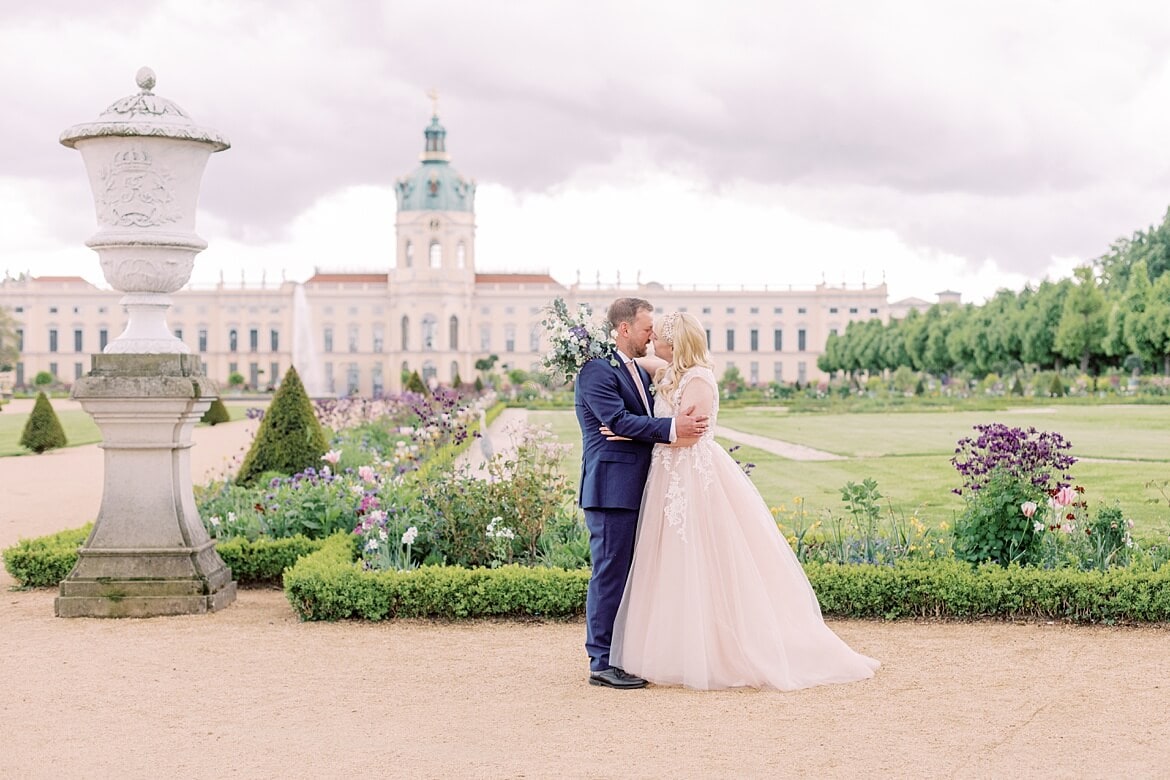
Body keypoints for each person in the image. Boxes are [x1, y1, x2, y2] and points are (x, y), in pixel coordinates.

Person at [608, 312, 880, 690]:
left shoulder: (698, 379)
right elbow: (639, 363)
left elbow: (689, 436)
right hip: (669, 479)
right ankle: (674, 650)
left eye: (660, 338)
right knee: (669, 564)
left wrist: (632, 433)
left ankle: (719, 650)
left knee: (702, 561)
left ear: (676, 343)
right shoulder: (670, 373)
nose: (652, 341)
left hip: (692, 477)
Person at [575, 298, 710, 689]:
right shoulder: (597, 370)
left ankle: (622, 655)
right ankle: (601, 662)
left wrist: (636, 426)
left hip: (640, 487)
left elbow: (629, 419)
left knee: (633, 577)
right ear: (624, 329)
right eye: (647, 328)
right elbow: (616, 420)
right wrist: (669, 428)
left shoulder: (635, 367)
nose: (652, 336)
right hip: (611, 489)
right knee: (610, 574)